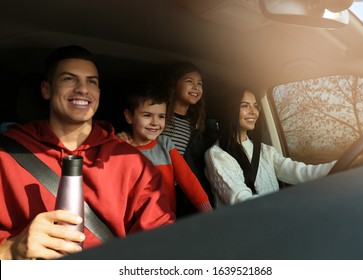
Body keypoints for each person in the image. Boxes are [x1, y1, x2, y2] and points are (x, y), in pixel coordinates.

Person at [0, 45, 175, 260]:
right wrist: (10, 250)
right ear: (46, 89)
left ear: (98, 94)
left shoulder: (131, 163)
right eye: (69, 79)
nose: (83, 89)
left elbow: (160, 247)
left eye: (91, 81)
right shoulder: (6, 155)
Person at [205, 88, 339, 207]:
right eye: (245, 106)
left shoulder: (265, 150)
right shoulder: (217, 155)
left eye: (256, 106)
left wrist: (340, 165)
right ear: (231, 110)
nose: (253, 112)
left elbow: (301, 172)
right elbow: (242, 201)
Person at [116, 84, 213, 214]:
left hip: (166, 220)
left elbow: (188, 179)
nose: (155, 122)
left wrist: (207, 210)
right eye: (147, 115)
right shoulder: (122, 147)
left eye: (161, 116)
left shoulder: (165, 144)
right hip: (134, 224)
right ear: (129, 116)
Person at [161, 62, 217, 217]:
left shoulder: (196, 124)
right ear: (174, 85)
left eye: (200, 83)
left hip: (183, 191)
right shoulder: (160, 118)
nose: (196, 87)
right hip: (159, 186)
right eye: (189, 81)